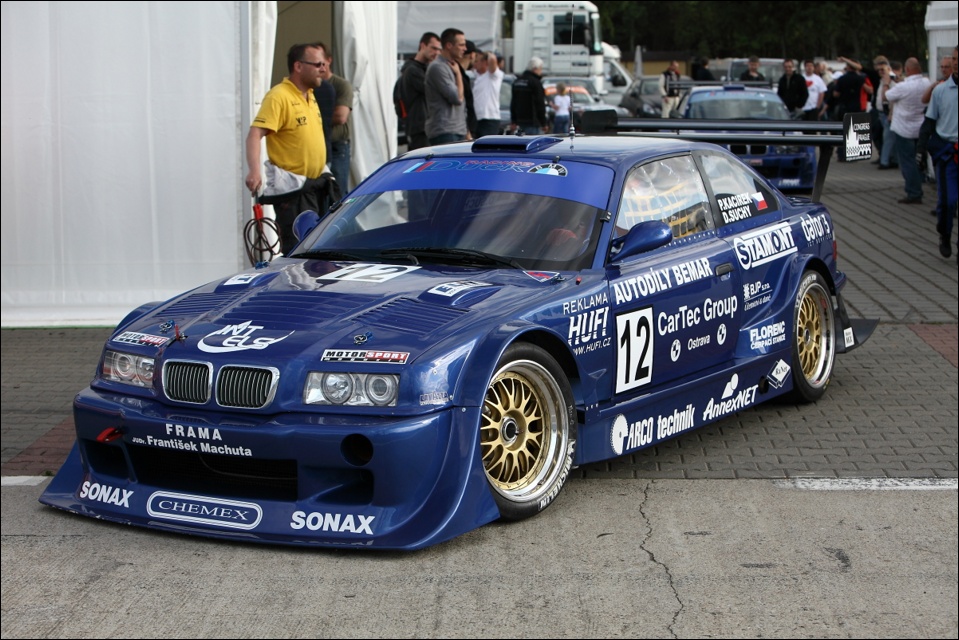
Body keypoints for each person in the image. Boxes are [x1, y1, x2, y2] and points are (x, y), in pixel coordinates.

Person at [245, 42, 330, 256]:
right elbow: (255, 134)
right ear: (298, 66)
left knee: (318, 249)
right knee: (299, 251)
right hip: (294, 193)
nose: (323, 69)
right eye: (317, 64)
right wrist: (254, 171)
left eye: (324, 64)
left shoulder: (310, 95)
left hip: (314, 187)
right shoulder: (279, 96)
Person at [920, 44, 958, 259]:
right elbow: (928, 123)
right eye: (954, 59)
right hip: (948, 153)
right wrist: (920, 150)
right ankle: (945, 232)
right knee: (948, 201)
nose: (956, 63)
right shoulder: (941, 91)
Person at [885, 57, 932, 204]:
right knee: (919, 159)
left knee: (907, 161)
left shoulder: (903, 87)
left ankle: (914, 192)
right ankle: (920, 182)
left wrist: (887, 83)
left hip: (903, 128)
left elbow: (887, 96)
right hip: (920, 127)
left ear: (907, 69)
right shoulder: (926, 82)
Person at [313, 43, 353, 194]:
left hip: (337, 147)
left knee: (337, 194)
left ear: (328, 60)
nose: (318, 66)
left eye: (320, 60)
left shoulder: (341, 85)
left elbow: (340, 116)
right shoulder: (309, 86)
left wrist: (311, 119)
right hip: (316, 147)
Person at [425, 28, 468, 145]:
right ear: (449, 45)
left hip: (458, 129)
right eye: (461, 45)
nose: (465, 48)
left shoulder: (453, 65)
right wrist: (458, 75)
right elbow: (457, 98)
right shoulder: (438, 67)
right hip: (445, 131)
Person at [401, 32, 442, 151]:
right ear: (423, 46)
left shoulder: (421, 69)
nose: (437, 53)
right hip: (419, 128)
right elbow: (434, 91)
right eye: (433, 48)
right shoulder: (412, 70)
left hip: (425, 126)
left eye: (439, 50)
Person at [511, 56, 548, 134]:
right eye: (540, 69)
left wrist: (513, 120)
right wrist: (543, 123)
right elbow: (540, 103)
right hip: (533, 122)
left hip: (519, 121)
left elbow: (513, 102)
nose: (541, 71)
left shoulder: (517, 81)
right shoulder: (535, 83)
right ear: (535, 69)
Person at [874, 57, 899, 169]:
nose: (880, 72)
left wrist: (891, 113)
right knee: (888, 137)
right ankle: (892, 159)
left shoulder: (891, 82)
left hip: (888, 112)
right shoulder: (882, 81)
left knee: (888, 138)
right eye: (879, 70)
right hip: (881, 112)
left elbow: (891, 99)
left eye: (882, 70)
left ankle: (884, 161)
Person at [461, 39, 479, 139]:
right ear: (472, 55)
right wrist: (467, 131)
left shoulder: (462, 75)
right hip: (465, 131)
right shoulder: (460, 76)